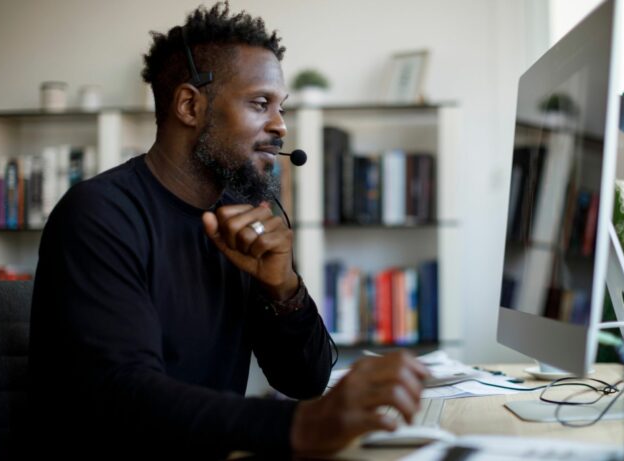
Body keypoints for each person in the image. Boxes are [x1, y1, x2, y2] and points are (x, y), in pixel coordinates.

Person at [28, 2, 429, 459]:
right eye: (261, 103)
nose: (280, 125)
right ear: (189, 105)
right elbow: (124, 396)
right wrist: (301, 426)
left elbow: (305, 380)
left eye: (281, 107)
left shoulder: (242, 216)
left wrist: (283, 288)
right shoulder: (99, 215)